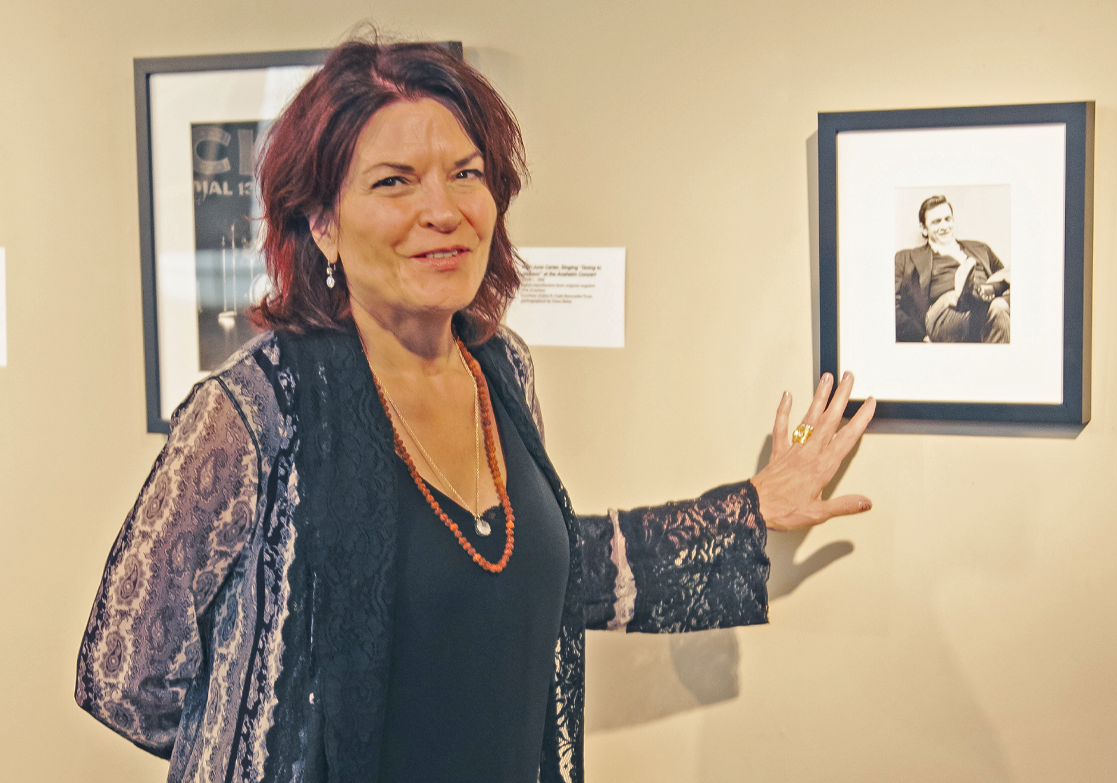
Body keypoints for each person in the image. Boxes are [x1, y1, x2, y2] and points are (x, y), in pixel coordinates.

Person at [76, 39, 876, 783]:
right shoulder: (255, 410)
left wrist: (752, 508)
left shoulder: (501, 368)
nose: (446, 209)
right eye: (394, 181)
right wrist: (283, 738)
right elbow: (123, 676)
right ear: (321, 223)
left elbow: (533, 563)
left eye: (467, 173)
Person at [895, 195, 1011, 343]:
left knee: (1000, 305)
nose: (944, 226)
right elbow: (891, 305)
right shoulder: (905, 258)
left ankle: (975, 294)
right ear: (924, 229)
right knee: (952, 297)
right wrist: (920, 338)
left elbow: (1004, 279)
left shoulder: (980, 248)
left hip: (982, 311)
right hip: (943, 315)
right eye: (936, 222)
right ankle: (962, 295)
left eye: (947, 219)